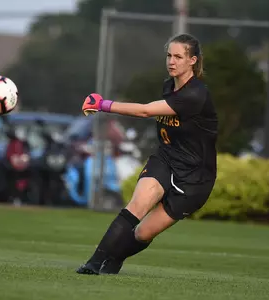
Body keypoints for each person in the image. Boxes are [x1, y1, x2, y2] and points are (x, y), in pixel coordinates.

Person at [76, 33, 218, 275]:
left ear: (193, 60)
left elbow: (144, 111)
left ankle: (115, 259)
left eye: (178, 57)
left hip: (195, 178)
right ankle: (93, 262)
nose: (172, 61)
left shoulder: (196, 94)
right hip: (165, 159)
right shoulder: (169, 85)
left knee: (143, 232)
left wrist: (103, 104)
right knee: (137, 205)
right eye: (169, 56)